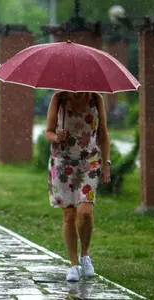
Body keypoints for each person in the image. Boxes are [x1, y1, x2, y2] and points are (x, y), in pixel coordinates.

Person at [45, 91, 111, 282]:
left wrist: (106, 163)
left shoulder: (96, 98)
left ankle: (85, 255)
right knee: (69, 214)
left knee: (85, 212)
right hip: (63, 163)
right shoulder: (59, 98)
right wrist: (57, 136)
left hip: (89, 162)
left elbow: (103, 134)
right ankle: (74, 265)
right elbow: (48, 132)